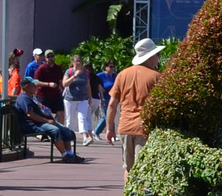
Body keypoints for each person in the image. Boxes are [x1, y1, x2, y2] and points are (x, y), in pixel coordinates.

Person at [107, 39, 163, 177]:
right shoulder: (157, 77)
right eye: (157, 55)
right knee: (143, 169)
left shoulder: (122, 75)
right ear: (150, 57)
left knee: (128, 169)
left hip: (125, 127)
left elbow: (112, 105)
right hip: (144, 128)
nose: (158, 58)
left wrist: (109, 128)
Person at [14, 87, 80, 161]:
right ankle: (65, 155)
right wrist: (47, 121)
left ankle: (70, 154)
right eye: (33, 85)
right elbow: (30, 115)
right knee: (55, 130)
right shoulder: (23, 98)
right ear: (26, 86)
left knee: (65, 130)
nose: (35, 87)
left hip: (42, 122)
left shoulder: (32, 97)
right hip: (33, 125)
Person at [62, 56, 98, 144]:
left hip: (83, 99)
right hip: (70, 99)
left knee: (82, 118)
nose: (78, 63)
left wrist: (90, 98)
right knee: (70, 120)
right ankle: (70, 138)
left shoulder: (86, 73)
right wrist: (74, 75)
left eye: (79, 61)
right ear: (73, 62)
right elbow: (64, 84)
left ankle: (85, 137)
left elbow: (87, 86)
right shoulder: (69, 71)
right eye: (76, 61)